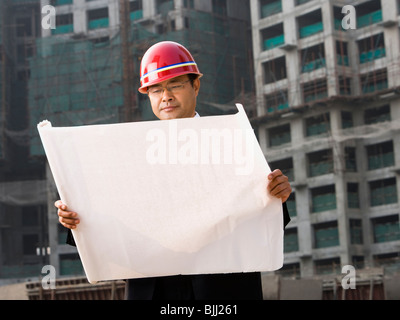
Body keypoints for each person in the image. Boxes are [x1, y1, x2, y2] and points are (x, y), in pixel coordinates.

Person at [55, 41, 292, 300]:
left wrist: (276, 197)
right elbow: (115, 228)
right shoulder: (129, 156)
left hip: (221, 292)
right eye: (155, 90)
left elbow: (262, 222)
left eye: (175, 85)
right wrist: (76, 219)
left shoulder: (232, 142)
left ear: (196, 86)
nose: (165, 96)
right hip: (156, 290)